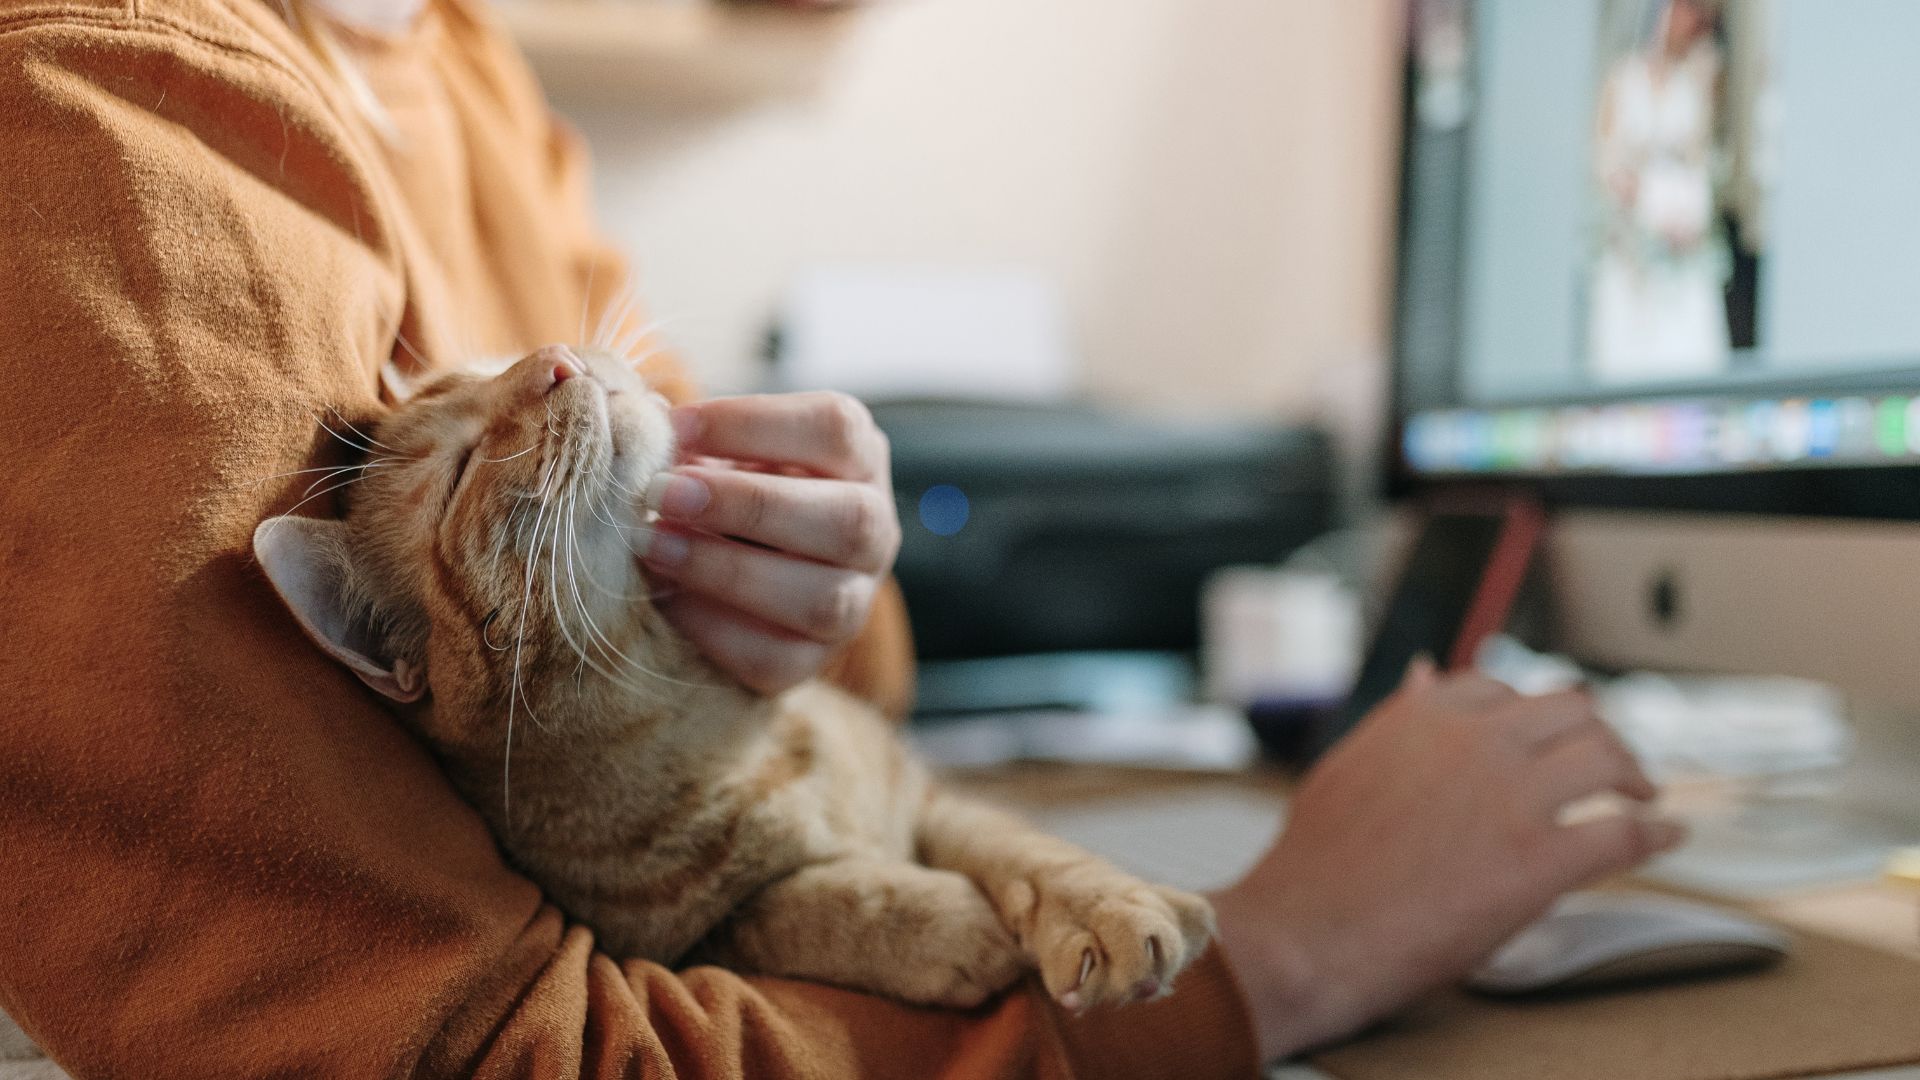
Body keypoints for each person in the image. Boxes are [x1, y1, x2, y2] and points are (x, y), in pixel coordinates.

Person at [0, 0, 1680, 1075]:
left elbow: (816, 708)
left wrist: (794, 588)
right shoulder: (98, 137)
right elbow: (481, 1057)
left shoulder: (455, 62)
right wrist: (1293, 953)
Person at [1589, 0, 1733, 383]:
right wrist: (1647, 203)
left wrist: (1687, 213)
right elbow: (1606, 162)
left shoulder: (1695, 82)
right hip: (1633, 250)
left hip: (1682, 246)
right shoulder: (1622, 80)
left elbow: (1701, 158)